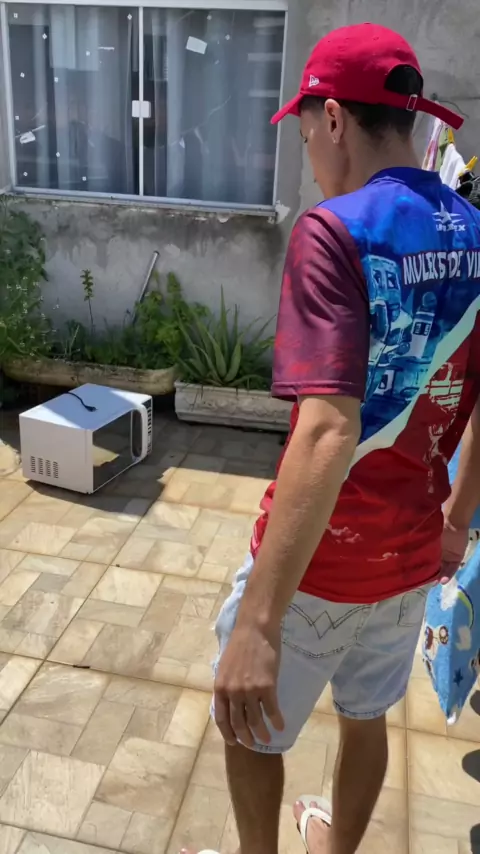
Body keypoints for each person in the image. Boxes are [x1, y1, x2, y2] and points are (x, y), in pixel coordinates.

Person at [183, 22, 480, 854]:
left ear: (337, 119)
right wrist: (457, 522)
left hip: (321, 565)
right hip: (411, 557)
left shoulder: (335, 232)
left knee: (249, 729)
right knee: (366, 717)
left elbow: (326, 428)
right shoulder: (474, 232)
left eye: (306, 128)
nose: (308, 146)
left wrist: (260, 620)